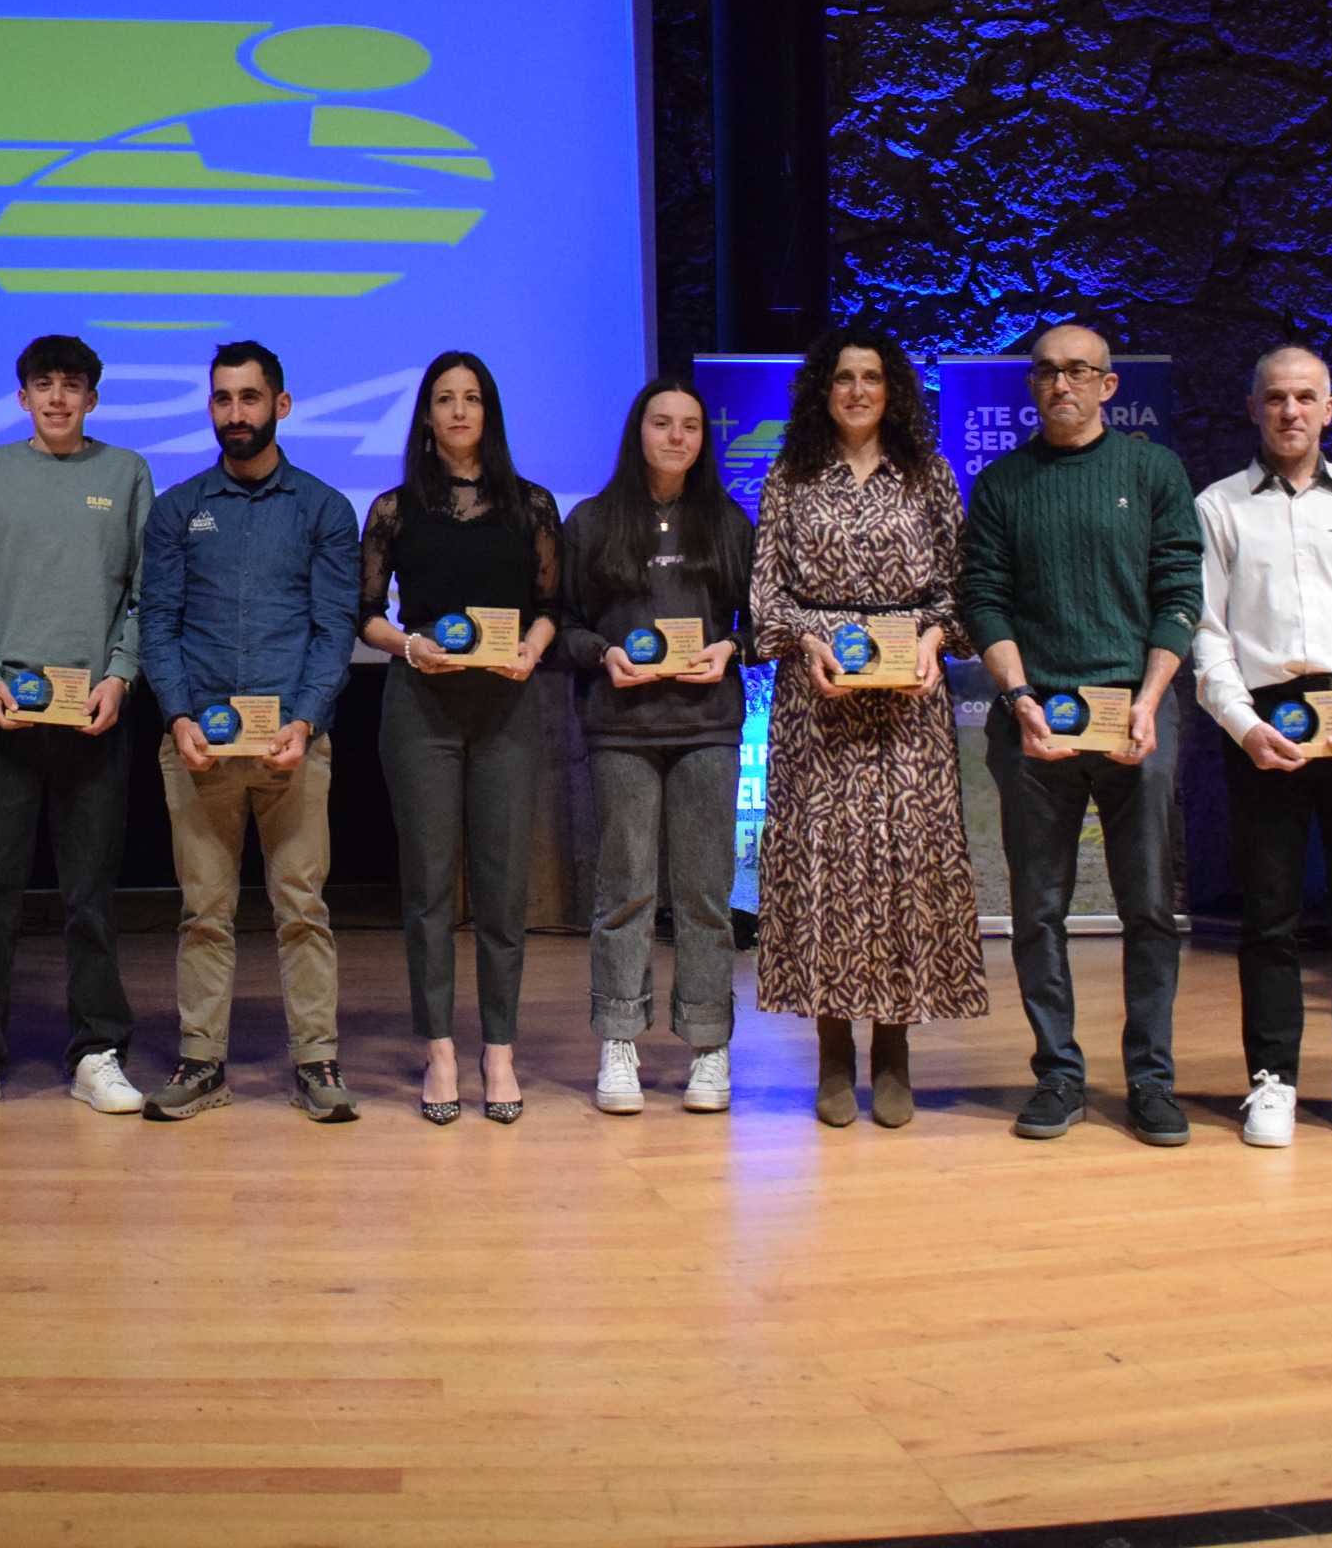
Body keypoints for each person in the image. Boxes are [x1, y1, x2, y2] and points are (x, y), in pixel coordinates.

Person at [963, 322, 1200, 1145]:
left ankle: (1151, 1080)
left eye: (1077, 372)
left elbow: (1179, 591)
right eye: (1045, 373)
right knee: (1037, 909)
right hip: (1035, 724)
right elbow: (984, 600)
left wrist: (1149, 697)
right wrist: (1020, 695)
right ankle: (1059, 1074)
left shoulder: (1154, 470)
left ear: (1108, 386)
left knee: (1147, 909)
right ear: (1032, 386)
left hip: (1137, 715)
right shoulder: (1001, 484)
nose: (1059, 385)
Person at [747, 335, 984, 1127]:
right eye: (843, 377)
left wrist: (931, 639)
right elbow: (766, 597)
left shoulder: (928, 475)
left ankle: (893, 1051)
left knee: (899, 874)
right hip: (817, 701)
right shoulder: (790, 476)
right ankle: (832, 1054)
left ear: (893, 391)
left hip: (908, 705)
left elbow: (961, 594)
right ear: (823, 389)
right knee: (825, 874)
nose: (856, 390)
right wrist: (809, 640)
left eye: (871, 378)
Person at [1190, 347, 1332, 1150]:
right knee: (1270, 916)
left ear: (1330, 408)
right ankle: (1273, 1081)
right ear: (1253, 408)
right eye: (1276, 398)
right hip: (1265, 723)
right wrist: (1243, 724)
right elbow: (1208, 635)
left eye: (1306, 398)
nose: (1291, 411)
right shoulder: (1218, 505)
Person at [136, 341, 363, 1124]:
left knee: (302, 907)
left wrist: (304, 721)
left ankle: (317, 1064)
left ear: (281, 405)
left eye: (251, 398)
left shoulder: (326, 510)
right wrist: (176, 715)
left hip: (293, 742)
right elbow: (157, 623)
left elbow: (333, 629)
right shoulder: (176, 509)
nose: (237, 413)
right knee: (204, 912)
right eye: (224, 399)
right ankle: (202, 1064)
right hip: (197, 742)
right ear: (211, 408)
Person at [0, 333, 155, 1120]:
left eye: (72, 385)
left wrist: (120, 679)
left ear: (93, 398)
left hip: (94, 714)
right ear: (21, 396)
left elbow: (140, 593)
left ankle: (96, 1051)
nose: (58, 397)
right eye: (43, 384)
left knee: (90, 894)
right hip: (6, 715)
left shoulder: (125, 472)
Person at [360, 350, 561, 1126]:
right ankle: (440, 1046)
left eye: (471, 398)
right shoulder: (394, 508)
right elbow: (365, 610)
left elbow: (554, 601)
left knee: (505, 889)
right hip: (422, 708)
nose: (458, 411)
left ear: (490, 411)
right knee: (428, 889)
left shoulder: (531, 505)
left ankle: (499, 1048)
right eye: (443, 399)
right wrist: (407, 646)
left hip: (506, 707)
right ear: (426, 414)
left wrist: (533, 650)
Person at [556, 376, 755, 1115]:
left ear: (704, 440)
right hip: (623, 730)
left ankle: (709, 1046)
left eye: (691, 426)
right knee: (626, 889)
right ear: (637, 431)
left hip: (706, 728)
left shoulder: (727, 523)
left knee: (704, 896)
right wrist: (603, 652)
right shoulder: (594, 522)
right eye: (662, 423)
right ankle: (619, 1040)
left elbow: (762, 622)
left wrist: (732, 645)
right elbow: (566, 626)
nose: (676, 437)